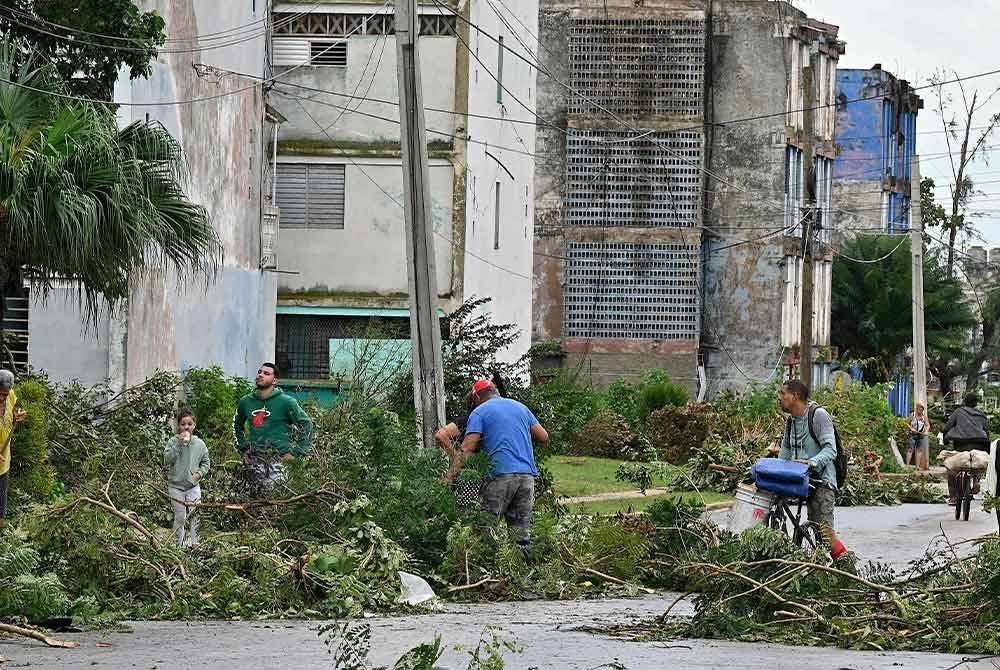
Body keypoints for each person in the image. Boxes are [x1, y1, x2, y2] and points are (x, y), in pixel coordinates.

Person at [442, 379, 549, 555]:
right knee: (521, 536)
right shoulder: (521, 407)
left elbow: (467, 448)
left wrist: (449, 476)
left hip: (499, 476)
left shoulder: (479, 412)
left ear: (477, 397)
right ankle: (524, 567)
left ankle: (486, 567)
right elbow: (543, 436)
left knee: (485, 531)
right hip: (526, 476)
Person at [777, 379, 848, 560]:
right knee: (815, 532)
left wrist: (812, 462)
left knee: (826, 534)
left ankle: (848, 568)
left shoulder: (818, 415)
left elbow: (831, 449)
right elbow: (784, 453)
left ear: (795, 396)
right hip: (804, 482)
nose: (779, 397)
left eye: (783, 393)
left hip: (823, 481)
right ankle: (817, 565)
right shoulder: (791, 422)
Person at [233, 363, 313, 489]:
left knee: (276, 498)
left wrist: (296, 453)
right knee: (253, 498)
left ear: (274, 380)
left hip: (279, 463)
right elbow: (236, 425)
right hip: (255, 461)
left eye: (266, 373)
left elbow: (306, 424)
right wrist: (243, 449)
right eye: (259, 372)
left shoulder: (286, 402)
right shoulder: (246, 402)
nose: (260, 375)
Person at [163, 408, 211, 547]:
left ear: (194, 425)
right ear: (178, 426)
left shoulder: (199, 444)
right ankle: (178, 545)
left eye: (189, 424)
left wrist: (200, 473)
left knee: (195, 514)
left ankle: (195, 543)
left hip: (193, 486)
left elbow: (206, 463)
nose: (186, 427)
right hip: (176, 487)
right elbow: (167, 459)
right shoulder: (173, 441)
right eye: (183, 424)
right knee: (180, 517)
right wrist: (178, 445)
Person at [942, 392, 989, 505]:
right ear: (976, 403)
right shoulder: (982, 415)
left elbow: (947, 427)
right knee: (976, 462)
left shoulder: (958, 412)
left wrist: (945, 439)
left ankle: (953, 497)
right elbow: (986, 431)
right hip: (979, 444)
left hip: (961, 444)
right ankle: (976, 479)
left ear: (964, 402)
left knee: (952, 467)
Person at [0, 370, 27, 531]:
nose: (2, 398)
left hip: (4, 460)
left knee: (1, 499)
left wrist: (18, 417)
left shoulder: (10, 395)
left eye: (4, 395)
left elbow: (14, 413)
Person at [906, 403, 931, 470]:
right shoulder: (912, 415)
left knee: (919, 450)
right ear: (916, 409)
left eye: (922, 409)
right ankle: (907, 466)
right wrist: (911, 428)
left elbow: (928, 425)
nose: (920, 411)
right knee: (910, 449)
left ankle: (917, 466)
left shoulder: (924, 417)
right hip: (912, 434)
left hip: (921, 435)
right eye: (919, 409)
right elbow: (907, 423)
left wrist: (926, 431)